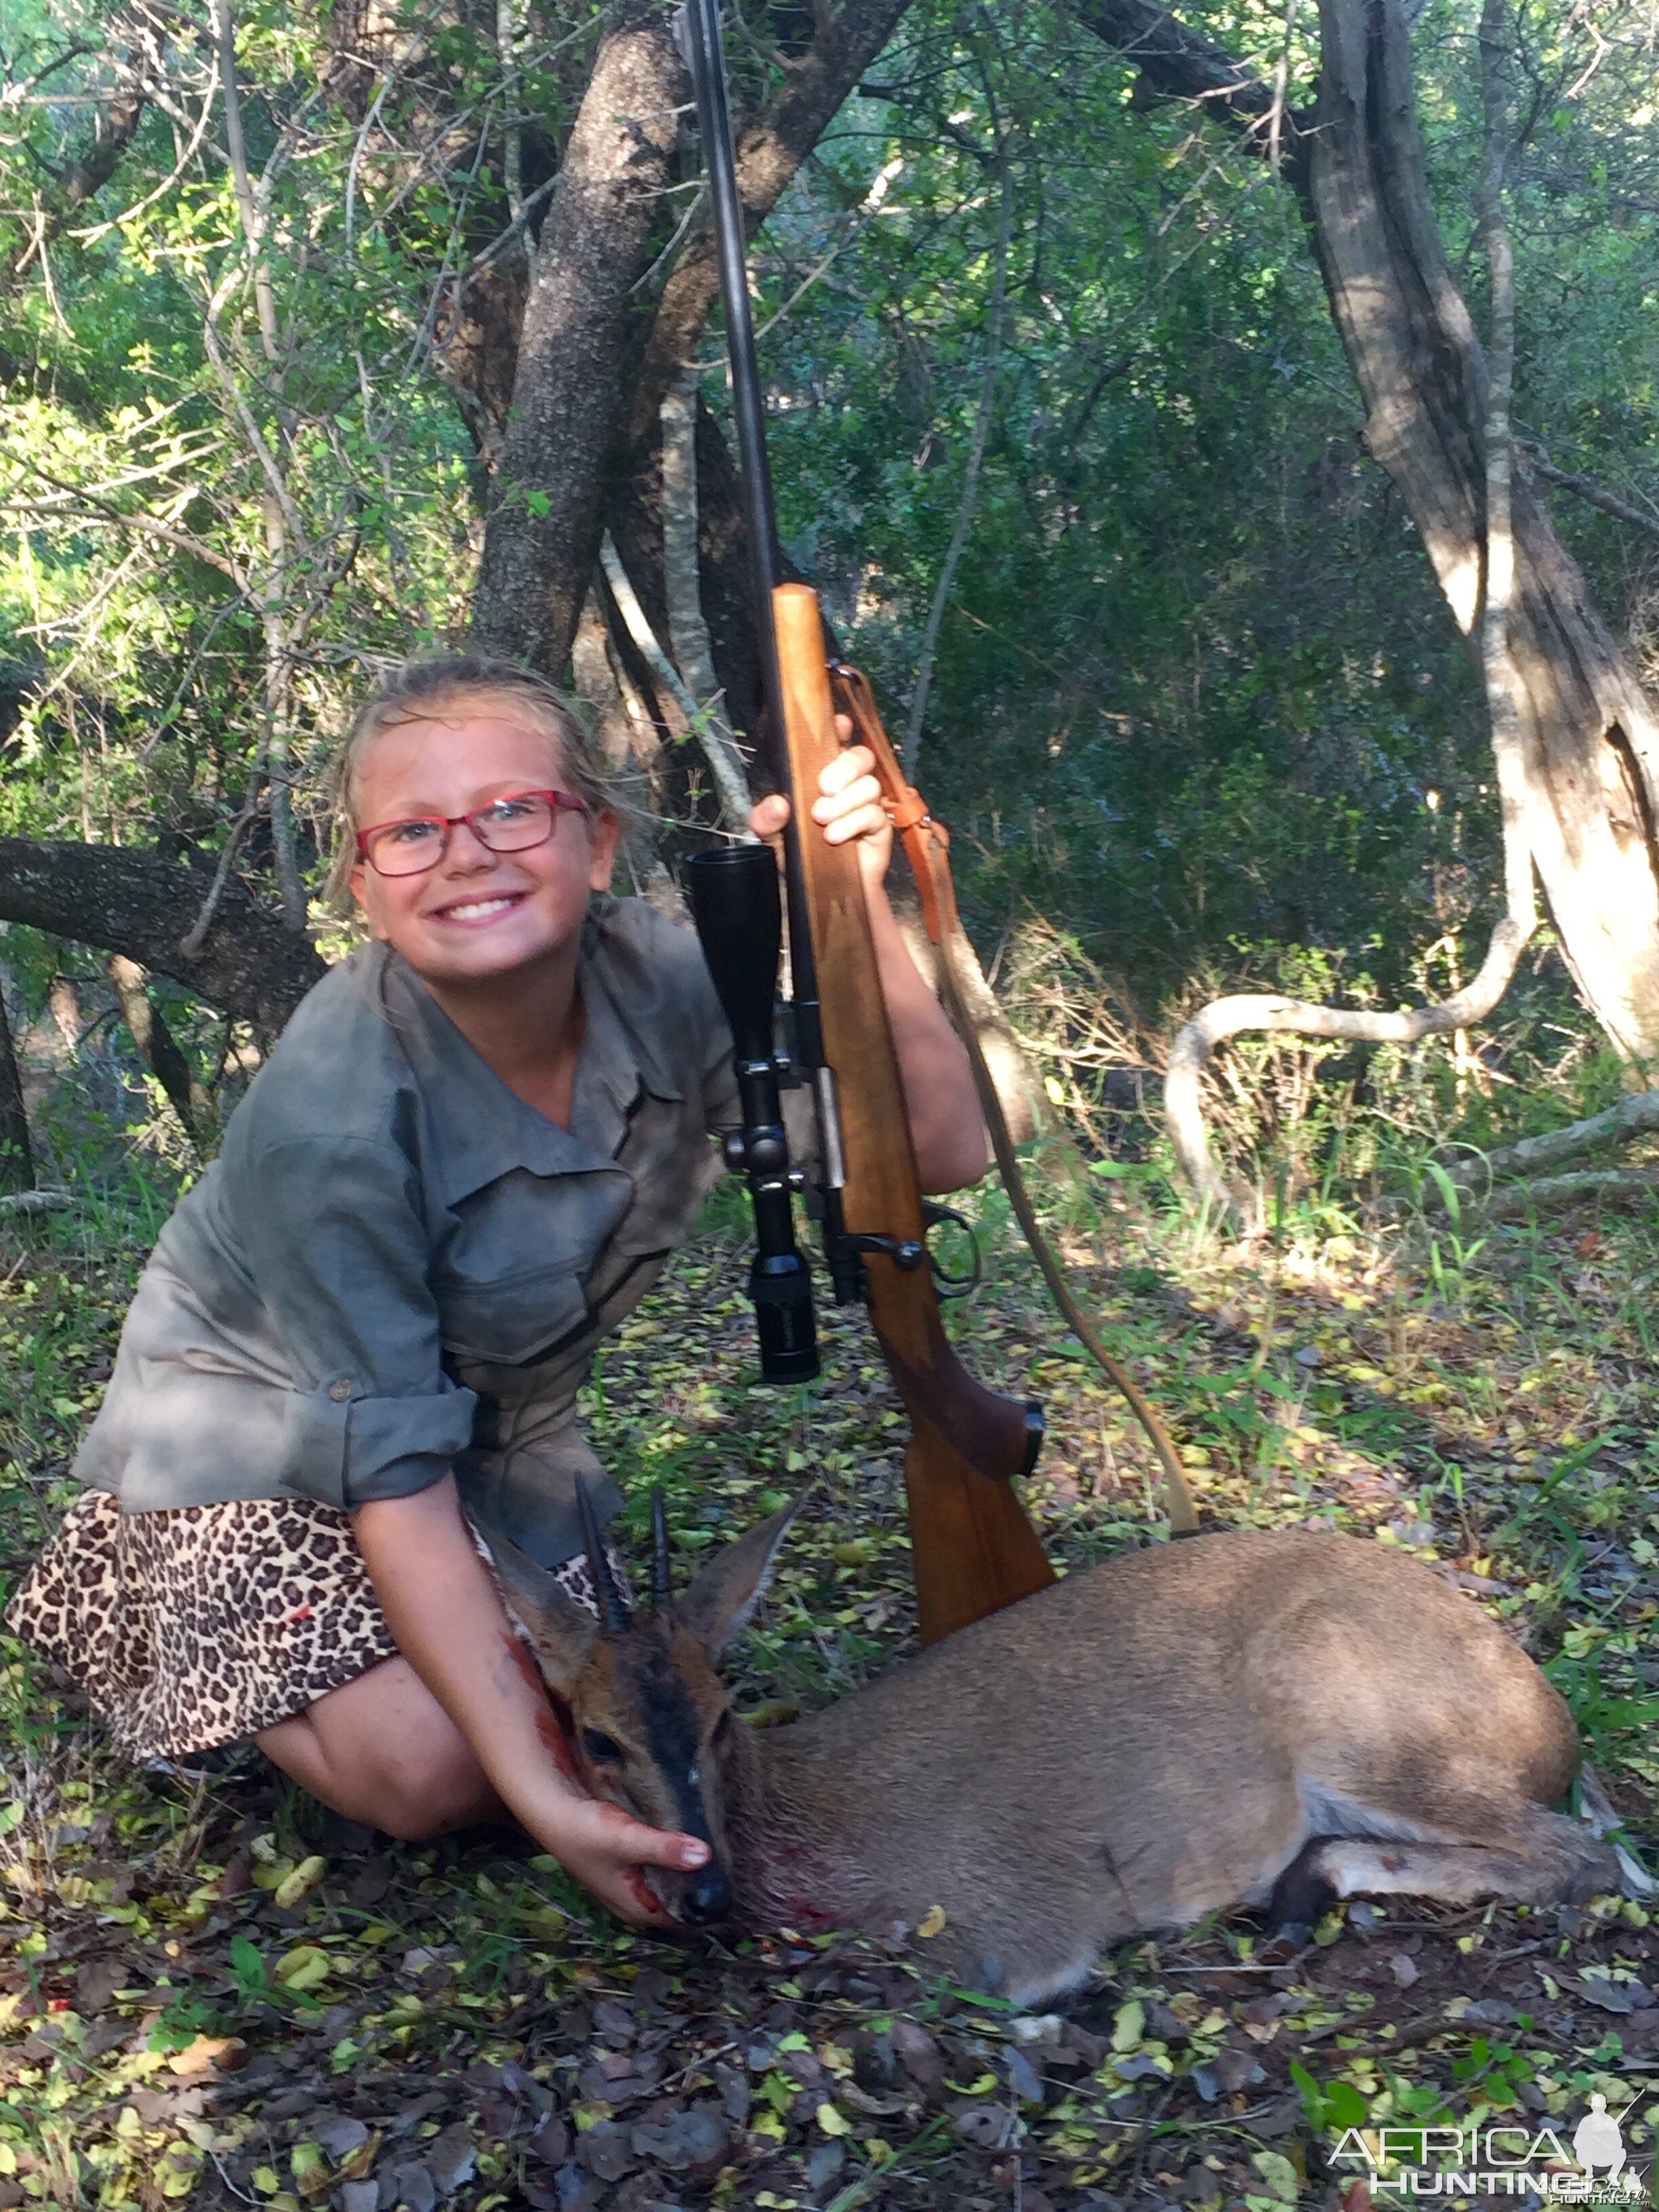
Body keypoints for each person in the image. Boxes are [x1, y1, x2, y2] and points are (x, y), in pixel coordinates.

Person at [7, 655, 987, 1925]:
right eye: (413, 832)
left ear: (597, 839)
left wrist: (855, 904)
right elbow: (394, 1488)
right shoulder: (334, 1119)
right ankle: (163, 1633)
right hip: (251, 1451)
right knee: (445, 1764)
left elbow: (943, 1149)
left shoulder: (674, 977)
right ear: (362, 885)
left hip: (488, 1439)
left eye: (513, 811)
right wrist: (552, 1808)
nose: (468, 856)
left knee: (608, 1690)